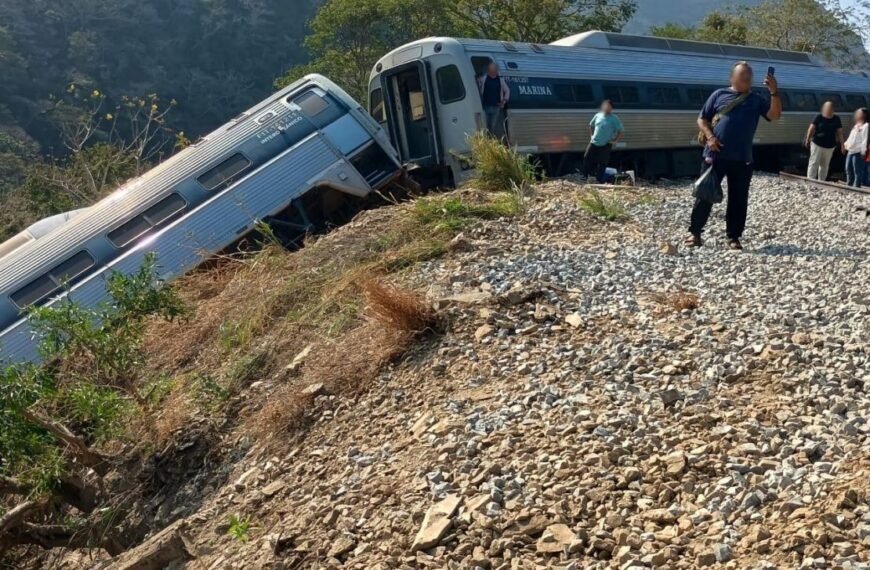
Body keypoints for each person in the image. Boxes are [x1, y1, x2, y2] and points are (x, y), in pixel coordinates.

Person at [688, 61, 782, 250]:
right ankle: (695, 233)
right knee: (704, 194)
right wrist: (710, 137)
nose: (747, 79)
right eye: (743, 76)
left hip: (742, 158)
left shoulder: (756, 99)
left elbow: (774, 115)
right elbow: (702, 118)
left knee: (738, 199)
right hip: (715, 155)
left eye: (749, 76)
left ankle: (733, 237)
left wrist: (774, 92)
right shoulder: (718, 95)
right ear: (732, 77)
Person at [584, 100, 624, 183]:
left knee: (602, 162)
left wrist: (615, 140)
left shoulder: (614, 118)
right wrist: (592, 136)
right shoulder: (598, 115)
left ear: (611, 108)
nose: (606, 108)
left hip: (606, 144)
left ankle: (599, 179)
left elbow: (621, 130)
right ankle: (587, 175)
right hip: (594, 142)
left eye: (608, 106)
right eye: (605, 106)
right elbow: (591, 125)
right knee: (587, 157)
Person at [805, 101, 843, 181]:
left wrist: (842, 144)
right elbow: (811, 128)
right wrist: (807, 139)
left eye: (830, 108)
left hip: (830, 145)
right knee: (814, 162)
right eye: (827, 107)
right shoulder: (819, 117)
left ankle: (821, 181)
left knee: (825, 165)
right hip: (817, 143)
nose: (828, 109)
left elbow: (839, 132)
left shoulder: (836, 118)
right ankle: (810, 180)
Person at [477, 62, 510, 140]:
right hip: (485, 106)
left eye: (494, 69)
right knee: (485, 125)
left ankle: (490, 140)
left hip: (496, 107)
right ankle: (486, 140)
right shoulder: (484, 78)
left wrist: (504, 101)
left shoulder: (500, 80)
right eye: (491, 69)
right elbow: (478, 83)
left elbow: (507, 90)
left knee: (492, 126)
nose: (493, 71)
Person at [843, 107, 869, 188]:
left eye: (859, 113)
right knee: (848, 168)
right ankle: (849, 184)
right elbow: (851, 137)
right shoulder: (856, 125)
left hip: (858, 151)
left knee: (857, 170)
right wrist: (845, 145)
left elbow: (865, 139)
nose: (857, 115)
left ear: (864, 115)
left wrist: (863, 152)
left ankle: (856, 186)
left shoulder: (866, 126)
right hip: (851, 150)